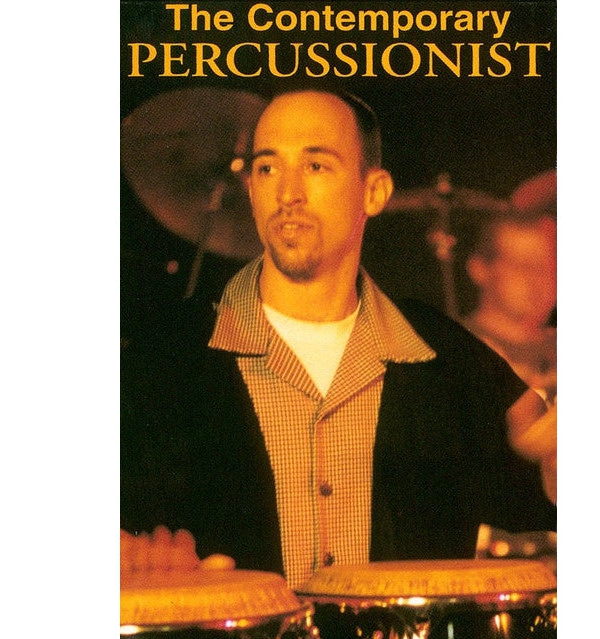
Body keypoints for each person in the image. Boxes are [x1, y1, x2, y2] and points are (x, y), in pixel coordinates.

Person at [121, 89, 556, 589]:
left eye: (316, 166)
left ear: (374, 192)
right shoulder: (160, 359)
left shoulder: (449, 358)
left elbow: (542, 507)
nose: (287, 193)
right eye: (267, 168)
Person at [461, 209, 557, 398]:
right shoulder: (455, 350)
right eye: (521, 265)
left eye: (544, 266)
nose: (536, 279)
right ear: (479, 269)